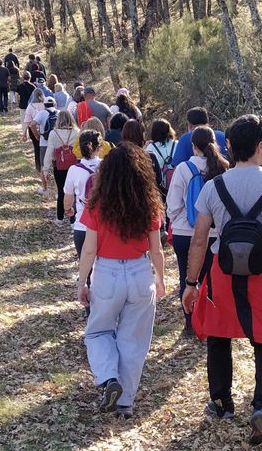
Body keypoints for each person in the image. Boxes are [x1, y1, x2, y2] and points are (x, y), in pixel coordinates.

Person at [182, 115, 262, 446]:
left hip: (222, 273)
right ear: (261, 147)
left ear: (230, 147)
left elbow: (199, 240)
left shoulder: (213, 187)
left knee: (219, 335)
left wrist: (191, 283)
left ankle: (222, 402)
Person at [76, 143, 167, 419]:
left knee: (98, 332)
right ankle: (125, 402)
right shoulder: (149, 206)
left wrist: (82, 281)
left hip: (107, 273)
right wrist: (161, 278)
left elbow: (89, 249)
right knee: (134, 340)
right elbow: (157, 249)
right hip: (140, 272)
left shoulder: (98, 206)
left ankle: (108, 378)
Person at [166, 125, 228, 336]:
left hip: (185, 232)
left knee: (186, 277)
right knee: (211, 279)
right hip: (213, 233)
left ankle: (190, 323)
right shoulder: (223, 168)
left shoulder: (183, 169)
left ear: (193, 146)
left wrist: (177, 220)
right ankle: (211, 321)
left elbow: (173, 204)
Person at [65, 129, 103, 258]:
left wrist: (68, 209)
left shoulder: (74, 170)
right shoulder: (107, 166)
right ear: (100, 147)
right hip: (104, 226)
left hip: (82, 225)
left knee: (85, 265)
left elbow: (68, 198)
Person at [44, 110, 80, 224]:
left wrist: (46, 168)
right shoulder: (77, 132)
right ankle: (73, 220)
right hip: (74, 165)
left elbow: (49, 151)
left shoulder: (53, 133)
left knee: (61, 191)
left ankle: (59, 217)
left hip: (59, 166)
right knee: (74, 192)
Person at [143, 118, 178, 198]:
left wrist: (144, 147)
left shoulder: (151, 148)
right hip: (176, 183)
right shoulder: (177, 144)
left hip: (160, 188)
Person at [23, 88, 47, 186]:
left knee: (37, 149)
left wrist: (24, 133)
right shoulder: (45, 104)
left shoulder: (30, 106)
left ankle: (39, 167)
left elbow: (27, 121)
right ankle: (46, 167)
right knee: (46, 148)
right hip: (45, 130)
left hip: (33, 130)